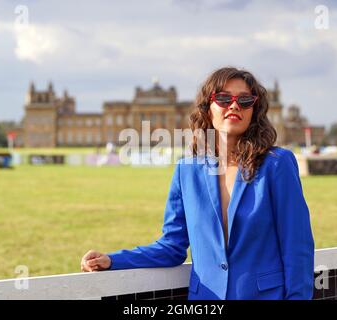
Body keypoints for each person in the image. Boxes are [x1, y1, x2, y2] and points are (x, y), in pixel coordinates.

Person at [81, 67, 315, 300]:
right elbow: (172, 246)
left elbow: (297, 247)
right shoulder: (187, 171)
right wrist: (113, 260)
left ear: (254, 110)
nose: (234, 106)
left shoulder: (277, 164)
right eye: (224, 98)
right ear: (207, 108)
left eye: (244, 100)